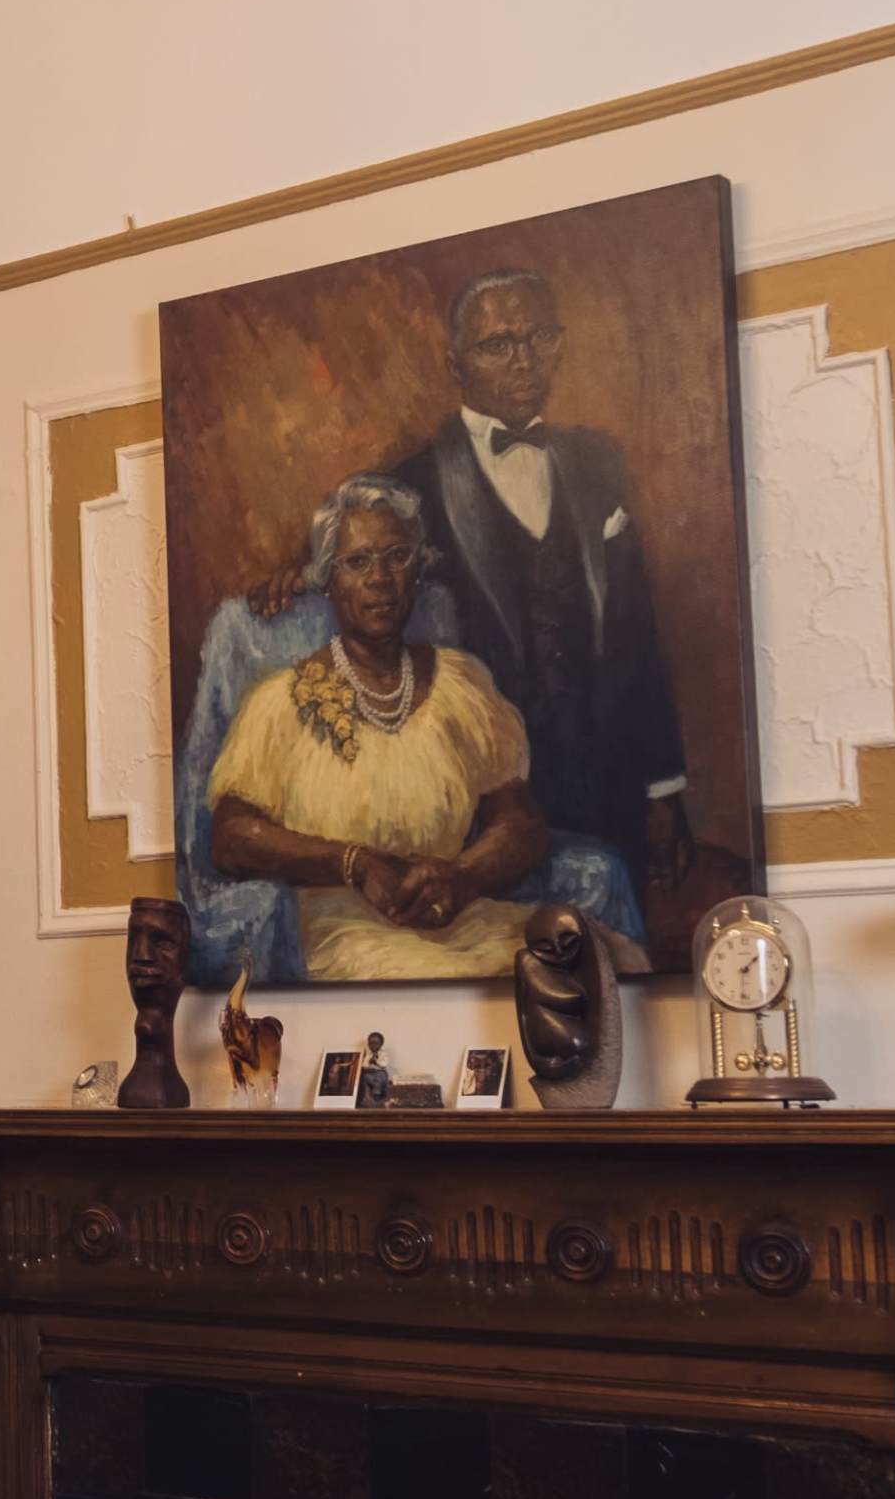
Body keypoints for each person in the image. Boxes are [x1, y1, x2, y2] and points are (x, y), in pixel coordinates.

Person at [352, 268, 693, 888]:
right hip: (482, 806)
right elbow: (349, 581)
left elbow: (634, 634)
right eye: (498, 344)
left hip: (607, 782)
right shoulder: (410, 486)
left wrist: (662, 789)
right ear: (457, 363)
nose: (525, 362)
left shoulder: (598, 460)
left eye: (540, 338)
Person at [202, 476, 549, 980]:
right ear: (327, 578)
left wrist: (463, 875)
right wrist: (353, 863)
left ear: (417, 568)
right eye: (357, 562)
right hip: (348, 933)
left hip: (459, 918)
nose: (380, 578)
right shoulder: (281, 702)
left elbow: (522, 823)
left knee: (571, 962)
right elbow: (231, 838)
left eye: (396, 556)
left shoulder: (463, 684)